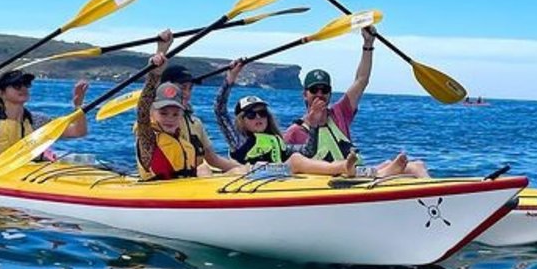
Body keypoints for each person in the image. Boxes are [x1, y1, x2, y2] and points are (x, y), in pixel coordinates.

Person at [283, 27, 430, 178]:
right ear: (305, 95)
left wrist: (368, 43)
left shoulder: (339, 113)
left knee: (417, 166)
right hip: (325, 182)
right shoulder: (294, 132)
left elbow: (361, 80)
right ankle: (374, 173)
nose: (319, 95)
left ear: (330, 94)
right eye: (314, 90)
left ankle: (434, 195)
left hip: (358, 173)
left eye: (324, 90)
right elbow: (285, 165)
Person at [214, 60, 358, 177]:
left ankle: (355, 168)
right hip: (252, 178)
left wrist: (313, 125)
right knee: (295, 160)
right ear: (242, 120)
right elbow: (220, 111)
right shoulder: (239, 140)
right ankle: (343, 167)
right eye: (251, 115)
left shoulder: (276, 141)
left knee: (298, 157)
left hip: (275, 179)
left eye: (262, 113)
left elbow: (308, 151)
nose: (258, 117)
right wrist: (230, 79)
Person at [134, 30, 209, 181]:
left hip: (185, 193)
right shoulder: (148, 139)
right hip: (156, 198)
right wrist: (154, 73)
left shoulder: (185, 143)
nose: (170, 118)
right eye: (163, 113)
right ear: (153, 113)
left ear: (182, 114)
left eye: (175, 114)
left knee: (204, 169)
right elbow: (143, 107)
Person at [160, 63, 242, 174]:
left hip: (192, 182)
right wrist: (161, 51)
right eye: (183, 88)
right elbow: (148, 95)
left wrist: (248, 169)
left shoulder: (195, 123)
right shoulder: (155, 118)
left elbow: (214, 160)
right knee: (203, 169)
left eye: (190, 88)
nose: (187, 93)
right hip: (165, 183)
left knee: (238, 171)